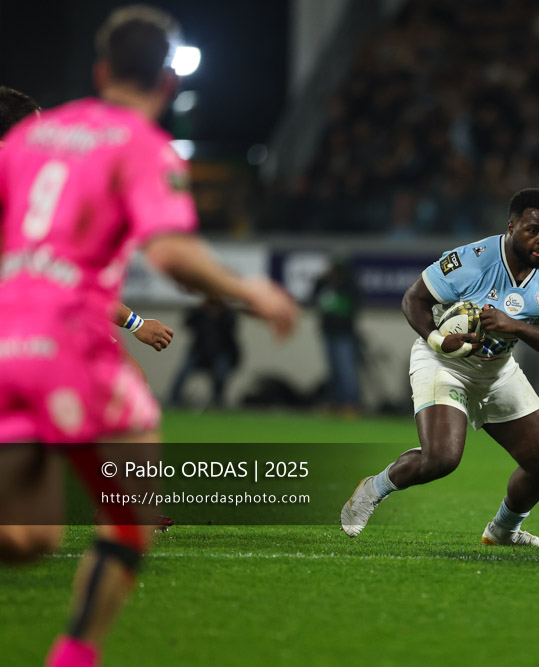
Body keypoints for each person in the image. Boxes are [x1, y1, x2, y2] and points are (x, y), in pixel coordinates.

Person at [0, 7, 299, 667]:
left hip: (8, 342)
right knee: (134, 515)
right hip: (69, 344)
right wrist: (250, 290)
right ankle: (74, 656)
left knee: (25, 536)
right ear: (168, 81)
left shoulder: (27, 142)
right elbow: (169, 252)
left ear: (101, 70)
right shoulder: (140, 143)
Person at [341, 188, 539, 547]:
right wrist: (438, 339)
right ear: (511, 226)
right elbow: (414, 299)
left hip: (497, 371)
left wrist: (515, 326)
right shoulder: (473, 260)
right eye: (533, 230)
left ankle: (503, 531)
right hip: (443, 362)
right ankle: (374, 487)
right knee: (442, 459)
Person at [1, 86, 175, 377]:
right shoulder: (25, 185)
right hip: (33, 321)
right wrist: (137, 324)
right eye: (38, 128)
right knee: (127, 386)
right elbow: (65, 275)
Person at [168, 298, 242, 408]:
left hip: (221, 352)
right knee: (182, 372)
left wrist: (219, 312)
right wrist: (201, 308)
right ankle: (173, 401)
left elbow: (231, 327)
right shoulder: (200, 312)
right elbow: (187, 322)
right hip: (199, 351)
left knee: (220, 374)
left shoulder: (227, 313)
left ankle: (218, 401)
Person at [310, 255, 361, 414]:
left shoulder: (350, 285)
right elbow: (315, 296)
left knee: (346, 370)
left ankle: (350, 403)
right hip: (328, 332)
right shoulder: (325, 283)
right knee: (334, 370)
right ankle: (336, 402)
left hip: (344, 334)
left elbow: (353, 306)